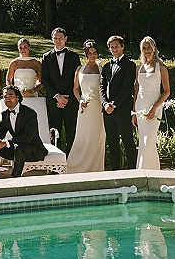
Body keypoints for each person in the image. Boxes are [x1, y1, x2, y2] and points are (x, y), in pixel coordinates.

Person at [0, 85, 48, 180]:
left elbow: (27, 138)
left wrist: (5, 143)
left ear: (17, 97)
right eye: (5, 97)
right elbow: (0, 133)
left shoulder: (30, 113)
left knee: (19, 147)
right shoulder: (5, 114)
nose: (7, 99)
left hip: (33, 150)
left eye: (11, 96)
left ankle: (15, 178)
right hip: (15, 149)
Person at [66, 40, 105, 173]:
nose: (92, 55)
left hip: (98, 108)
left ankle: (95, 168)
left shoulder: (102, 69)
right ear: (86, 54)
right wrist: (80, 100)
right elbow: (75, 89)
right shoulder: (79, 69)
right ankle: (75, 167)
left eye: (94, 53)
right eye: (90, 53)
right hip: (84, 108)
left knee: (96, 137)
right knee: (82, 136)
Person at [133, 36, 171, 169]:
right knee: (143, 141)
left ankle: (152, 171)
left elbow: (167, 91)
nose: (147, 50)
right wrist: (133, 112)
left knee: (149, 140)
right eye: (144, 48)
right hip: (140, 107)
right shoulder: (139, 68)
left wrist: (154, 107)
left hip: (154, 106)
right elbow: (137, 91)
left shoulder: (162, 68)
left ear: (154, 48)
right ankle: (142, 171)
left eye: (149, 47)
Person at [41, 27, 81, 153]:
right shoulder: (46, 57)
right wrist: (57, 96)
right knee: (54, 131)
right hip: (54, 101)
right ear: (52, 40)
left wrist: (66, 98)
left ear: (66, 39)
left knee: (71, 130)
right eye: (56, 38)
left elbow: (76, 79)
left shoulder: (74, 56)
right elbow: (45, 79)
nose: (58, 41)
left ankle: (71, 160)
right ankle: (55, 160)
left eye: (61, 38)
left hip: (71, 100)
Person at [100, 34, 137, 170]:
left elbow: (127, 88)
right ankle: (115, 172)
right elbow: (102, 87)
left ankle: (133, 170)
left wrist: (114, 104)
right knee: (112, 142)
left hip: (122, 109)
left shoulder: (130, 65)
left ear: (122, 47)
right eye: (112, 47)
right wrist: (105, 104)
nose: (114, 49)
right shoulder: (106, 66)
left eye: (116, 46)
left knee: (128, 141)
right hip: (107, 111)